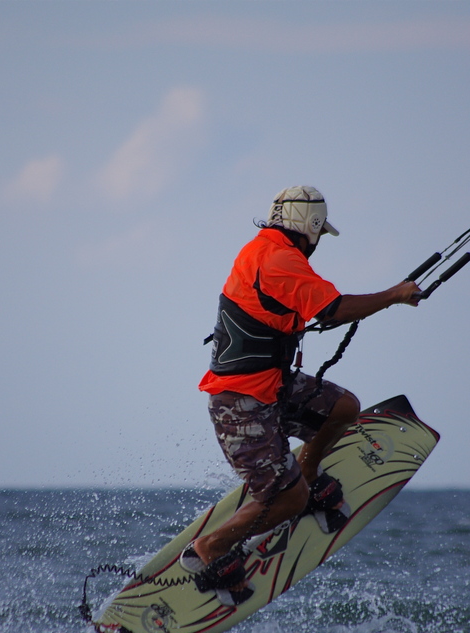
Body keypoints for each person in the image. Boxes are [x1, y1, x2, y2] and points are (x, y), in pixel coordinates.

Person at [180, 186, 420, 606]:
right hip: (240, 403)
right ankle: (212, 548)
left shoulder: (265, 250)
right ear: (308, 227)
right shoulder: (277, 259)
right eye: (319, 234)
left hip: (271, 387)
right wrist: (395, 295)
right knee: (289, 500)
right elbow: (335, 308)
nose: (318, 243)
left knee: (343, 408)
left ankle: (305, 472)